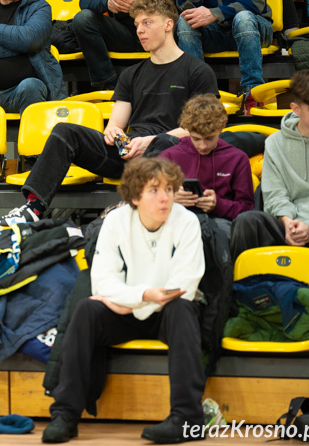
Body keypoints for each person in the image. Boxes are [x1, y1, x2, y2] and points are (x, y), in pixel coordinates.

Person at [0, 0, 219, 227]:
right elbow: (116, 124)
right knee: (65, 132)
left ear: (169, 24)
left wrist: (150, 141)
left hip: (171, 154)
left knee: (164, 143)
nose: (139, 30)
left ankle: (130, 205)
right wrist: (115, 134)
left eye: (147, 23)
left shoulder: (197, 71)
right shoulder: (131, 74)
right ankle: (32, 209)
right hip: (131, 152)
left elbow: (200, 130)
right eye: (137, 24)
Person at [41, 158, 206, 444]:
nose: (165, 197)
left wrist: (129, 299)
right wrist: (140, 296)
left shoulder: (188, 221)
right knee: (87, 310)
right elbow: (102, 282)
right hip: (132, 308)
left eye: (169, 188)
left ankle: (187, 418)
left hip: (166, 311)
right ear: (135, 196)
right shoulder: (116, 221)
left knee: (182, 309)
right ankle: (66, 415)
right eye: (154, 190)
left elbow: (184, 286)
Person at [230, 69, 309, 257]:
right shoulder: (275, 143)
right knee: (246, 222)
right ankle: (243, 285)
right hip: (286, 224)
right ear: (296, 109)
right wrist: (288, 222)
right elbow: (274, 195)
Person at [160, 94, 254, 237]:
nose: (202, 146)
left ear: (222, 128)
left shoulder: (237, 158)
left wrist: (218, 205)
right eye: (196, 139)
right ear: (187, 131)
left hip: (220, 226)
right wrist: (170, 200)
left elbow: (247, 211)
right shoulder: (169, 157)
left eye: (210, 138)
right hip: (176, 225)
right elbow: (146, 203)